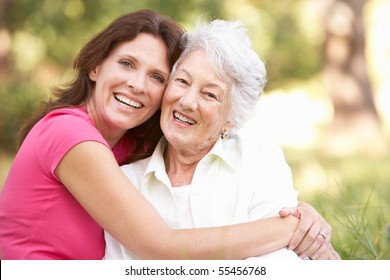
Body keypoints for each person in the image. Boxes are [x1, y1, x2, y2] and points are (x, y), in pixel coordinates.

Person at [0, 10, 335, 260]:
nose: (138, 84)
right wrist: (287, 228)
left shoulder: (133, 144)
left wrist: (301, 212)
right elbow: (160, 247)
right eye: (127, 63)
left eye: (158, 77)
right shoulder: (68, 133)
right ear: (95, 66)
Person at [104, 19, 340, 260]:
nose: (187, 101)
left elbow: (279, 261)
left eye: (209, 94)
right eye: (182, 81)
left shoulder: (260, 163)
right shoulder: (127, 180)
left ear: (231, 119)